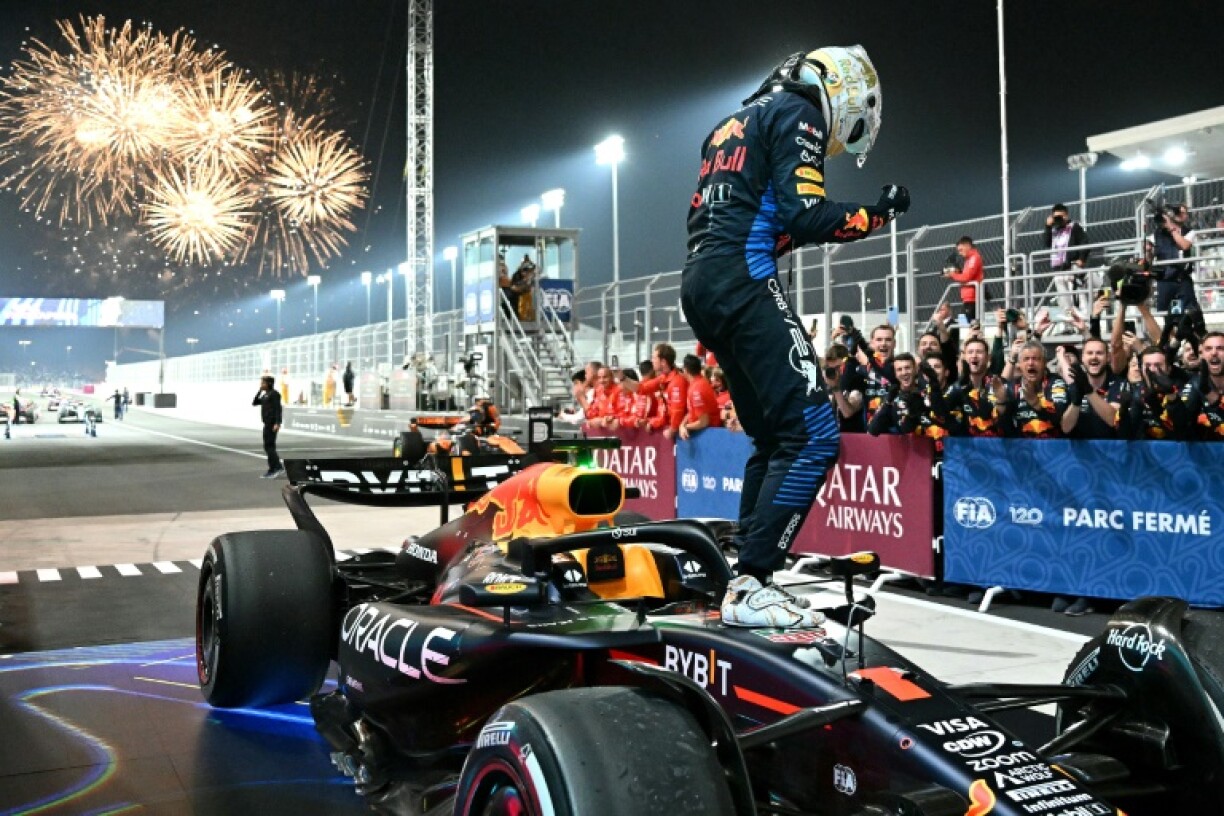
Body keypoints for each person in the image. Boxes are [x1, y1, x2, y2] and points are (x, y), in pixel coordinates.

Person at [680, 45, 908, 628]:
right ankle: (754, 581)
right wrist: (876, 216)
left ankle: (745, 582)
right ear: (841, 89)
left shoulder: (729, 126)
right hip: (743, 280)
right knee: (812, 435)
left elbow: (764, 216)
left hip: (702, 282)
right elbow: (805, 214)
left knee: (774, 437)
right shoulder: (797, 112)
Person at [1145, 202, 1199, 314]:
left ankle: (1191, 330)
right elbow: (1149, 260)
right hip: (1165, 280)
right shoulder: (1157, 234)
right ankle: (1173, 330)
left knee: (1190, 312)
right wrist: (1148, 252)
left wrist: (1171, 227)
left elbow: (1184, 245)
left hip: (1182, 279)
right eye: (1179, 212)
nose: (1181, 214)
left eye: (1184, 213)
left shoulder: (1189, 232)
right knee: (1170, 314)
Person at [1044, 203, 1091, 315]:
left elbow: (1085, 242)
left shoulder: (1074, 227)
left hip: (1072, 266)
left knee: (1079, 296)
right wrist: (1047, 227)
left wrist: (1082, 259)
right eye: (1056, 217)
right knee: (1064, 299)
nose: (1058, 219)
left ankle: (1084, 320)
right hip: (1058, 268)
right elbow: (1046, 243)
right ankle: (1069, 323)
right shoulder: (1054, 229)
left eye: (1061, 216)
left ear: (1066, 215)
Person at [945, 236, 984, 319]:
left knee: (970, 325)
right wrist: (956, 273)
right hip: (968, 298)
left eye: (961, 250)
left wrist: (952, 274)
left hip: (972, 298)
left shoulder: (974, 258)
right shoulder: (968, 259)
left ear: (968, 246)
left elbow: (966, 277)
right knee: (965, 323)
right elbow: (965, 275)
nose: (959, 253)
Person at [253, 375, 284, 479]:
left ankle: (276, 468)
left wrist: (278, 423)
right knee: (267, 446)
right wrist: (259, 391)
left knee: (270, 446)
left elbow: (278, 409)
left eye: (263, 383)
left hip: (272, 424)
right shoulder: (265, 395)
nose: (261, 385)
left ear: (269, 384)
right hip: (266, 424)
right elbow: (254, 402)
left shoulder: (274, 394)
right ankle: (274, 467)